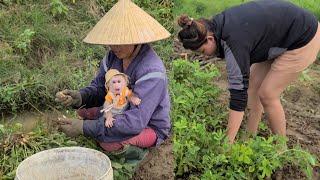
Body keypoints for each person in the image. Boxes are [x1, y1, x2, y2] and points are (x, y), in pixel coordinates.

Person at [177, 0, 320, 143]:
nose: (204, 55)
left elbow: (238, 95)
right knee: (253, 85)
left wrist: (227, 142)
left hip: (304, 36)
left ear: (209, 39)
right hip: (279, 34)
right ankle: (249, 138)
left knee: (268, 94)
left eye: (203, 51)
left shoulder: (232, 42)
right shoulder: (215, 27)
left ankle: (281, 148)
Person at [54, 0, 171, 153]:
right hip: (119, 109)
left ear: (135, 39)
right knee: (82, 113)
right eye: (111, 42)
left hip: (147, 125)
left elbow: (135, 121)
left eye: (120, 42)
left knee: (108, 143)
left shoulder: (152, 72)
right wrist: (80, 97)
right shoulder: (112, 58)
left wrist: (84, 128)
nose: (113, 47)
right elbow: (100, 88)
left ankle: (136, 153)